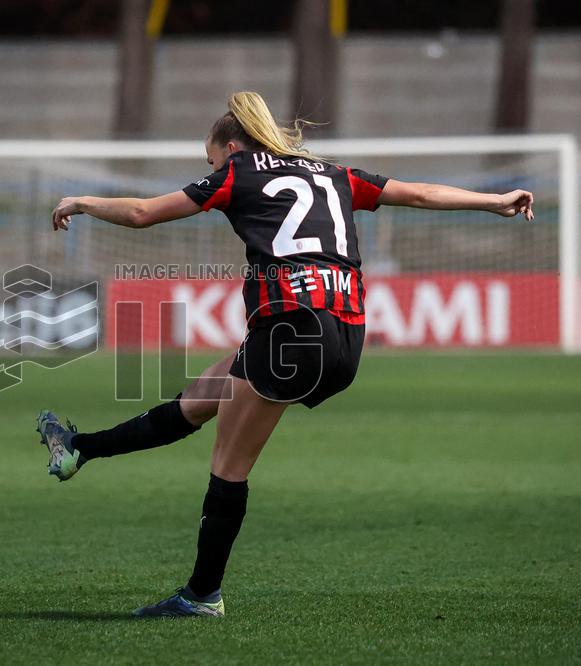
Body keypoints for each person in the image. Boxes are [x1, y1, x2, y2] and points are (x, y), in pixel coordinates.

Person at [36, 91, 535, 618]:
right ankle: (78, 449)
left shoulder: (237, 171)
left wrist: (82, 202)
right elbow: (420, 194)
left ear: (231, 147)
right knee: (199, 399)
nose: (211, 170)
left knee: (229, 467)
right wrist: (492, 201)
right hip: (345, 337)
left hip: (293, 329)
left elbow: (141, 212)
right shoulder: (334, 173)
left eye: (211, 160)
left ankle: (202, 596)